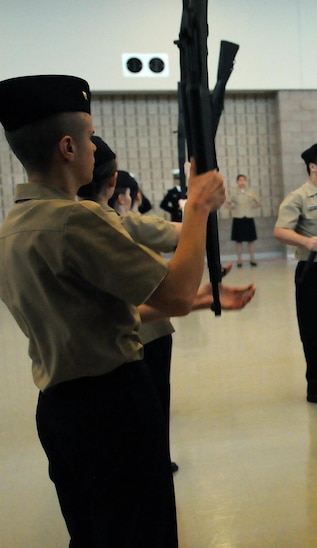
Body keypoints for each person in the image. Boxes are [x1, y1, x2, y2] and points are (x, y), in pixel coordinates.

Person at [0, 74, 226, 546]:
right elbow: (176, 293)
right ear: (67, 147)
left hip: (61, 409)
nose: (91, 148)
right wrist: (199, 209)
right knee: (142, 529)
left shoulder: (15, 224)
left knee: (94, 530)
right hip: (111, 405)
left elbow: (87, 316)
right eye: (87, 138)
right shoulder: (74, 219)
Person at [78, 136, 256, 475]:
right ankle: (153, 459)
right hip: (141, 337)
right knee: (149, 408)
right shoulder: (110, 223)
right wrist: (198, 206)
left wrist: (200, 296)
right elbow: (180, 246)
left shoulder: (90, 222)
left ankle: (151, 459)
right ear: (116, 184)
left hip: (121, 341)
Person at [273, 141, 317, 406]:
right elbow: (280, 231)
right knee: (315, 330)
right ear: (312, 167)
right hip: (313, 272)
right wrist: (305, 241)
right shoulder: (299, 197)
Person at [227, 173, 262, 267]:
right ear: (237, 182)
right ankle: (239, 260)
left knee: (251, 240)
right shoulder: (234, 192)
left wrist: (253, 206)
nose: (242, 182)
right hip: (238, 217)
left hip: (249, 217)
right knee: (238, 241)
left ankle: (252, 259)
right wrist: (232, 208)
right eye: (240, 180)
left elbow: (259, 202)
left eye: (243, 180)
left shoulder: (251, 191)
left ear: (246, 181)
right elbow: (227, 204)